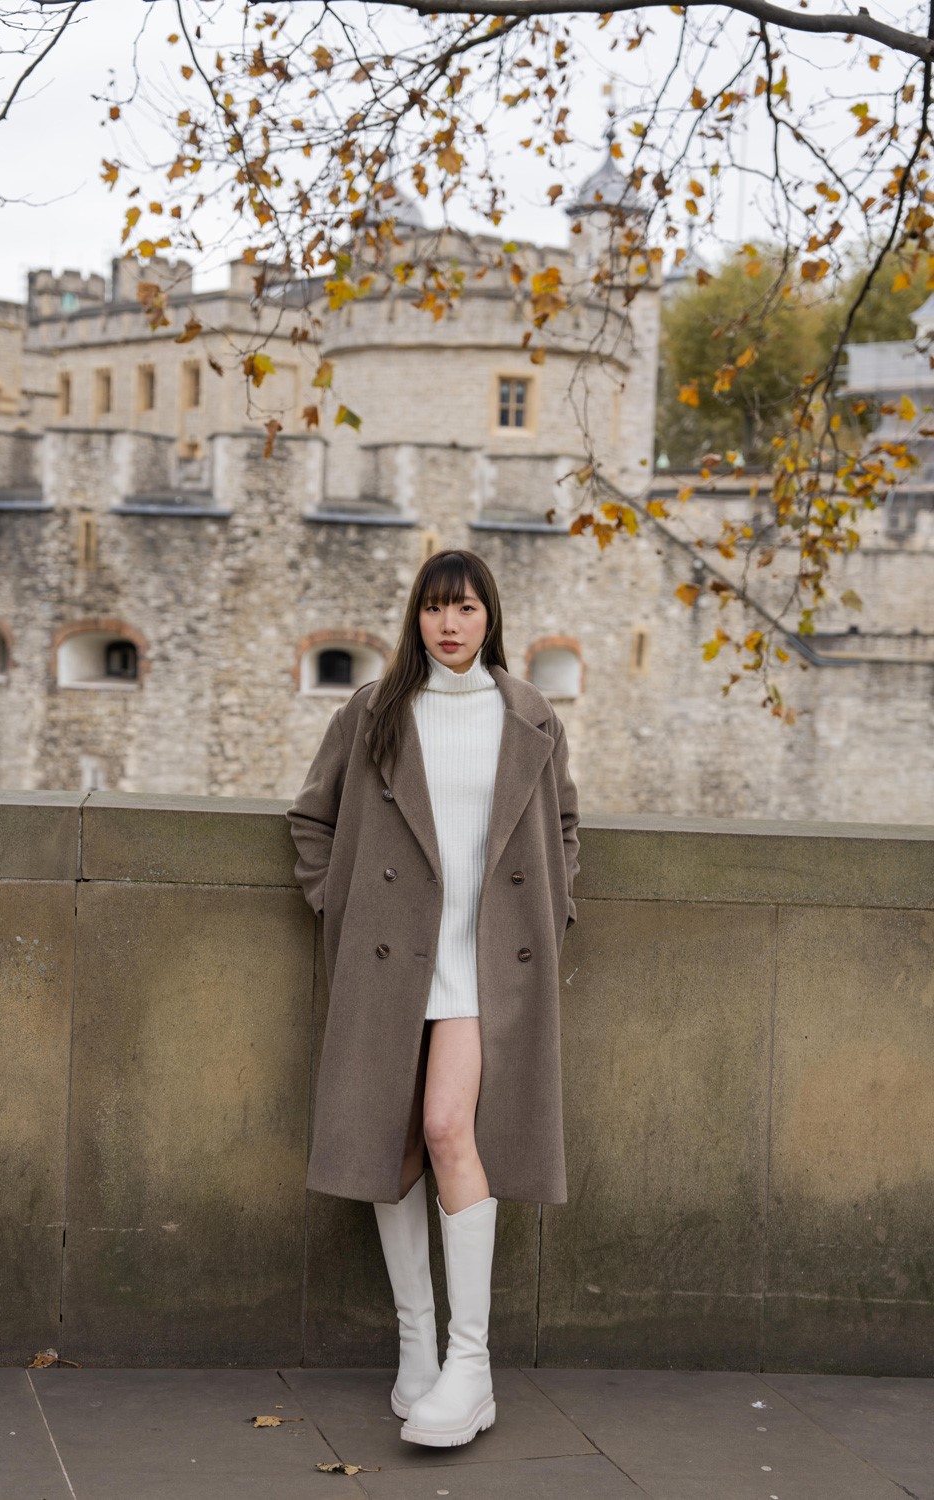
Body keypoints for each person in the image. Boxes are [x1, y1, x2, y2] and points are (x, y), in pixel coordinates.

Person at [285, 548, 580, 1449]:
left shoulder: (528, 715)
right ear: (415, 618)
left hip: (481, 962)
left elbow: (564, 826)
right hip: (390, 958)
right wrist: (338, 904)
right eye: (435, 608)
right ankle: (417, 1351)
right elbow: (311, 818)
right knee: (398, 1138)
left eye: (467, 608)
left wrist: (552, 909)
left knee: (450, 1128)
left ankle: (471, 1365)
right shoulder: (375, 709)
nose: (450, 624)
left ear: (491, 619)